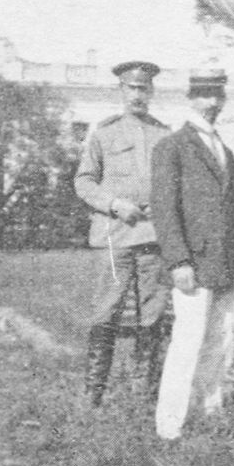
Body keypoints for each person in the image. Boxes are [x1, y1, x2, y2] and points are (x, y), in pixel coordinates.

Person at [150, 70, 234, 440]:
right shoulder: (172, 146)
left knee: (221, 341)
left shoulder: (223, 148)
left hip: (225, 262)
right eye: (205, 95)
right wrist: (178, 261)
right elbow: (164, 209)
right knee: (187, 343)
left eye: (218, 96)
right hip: (193, 263)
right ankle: (170, 426)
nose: (212, 103)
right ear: (191, 98)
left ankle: (211, 415)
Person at [74, 60, 171, 407]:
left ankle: (144, 396)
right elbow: (84, 181)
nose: (137, 95)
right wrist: (114, 204)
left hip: (154, 238)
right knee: (107, 312)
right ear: (121, 90)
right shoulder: (104, 133)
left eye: (143, 88)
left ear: (152, 91)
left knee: (153, 315)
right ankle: (93, 396)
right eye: (131, 88)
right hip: (115, 236)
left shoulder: (164, 135)